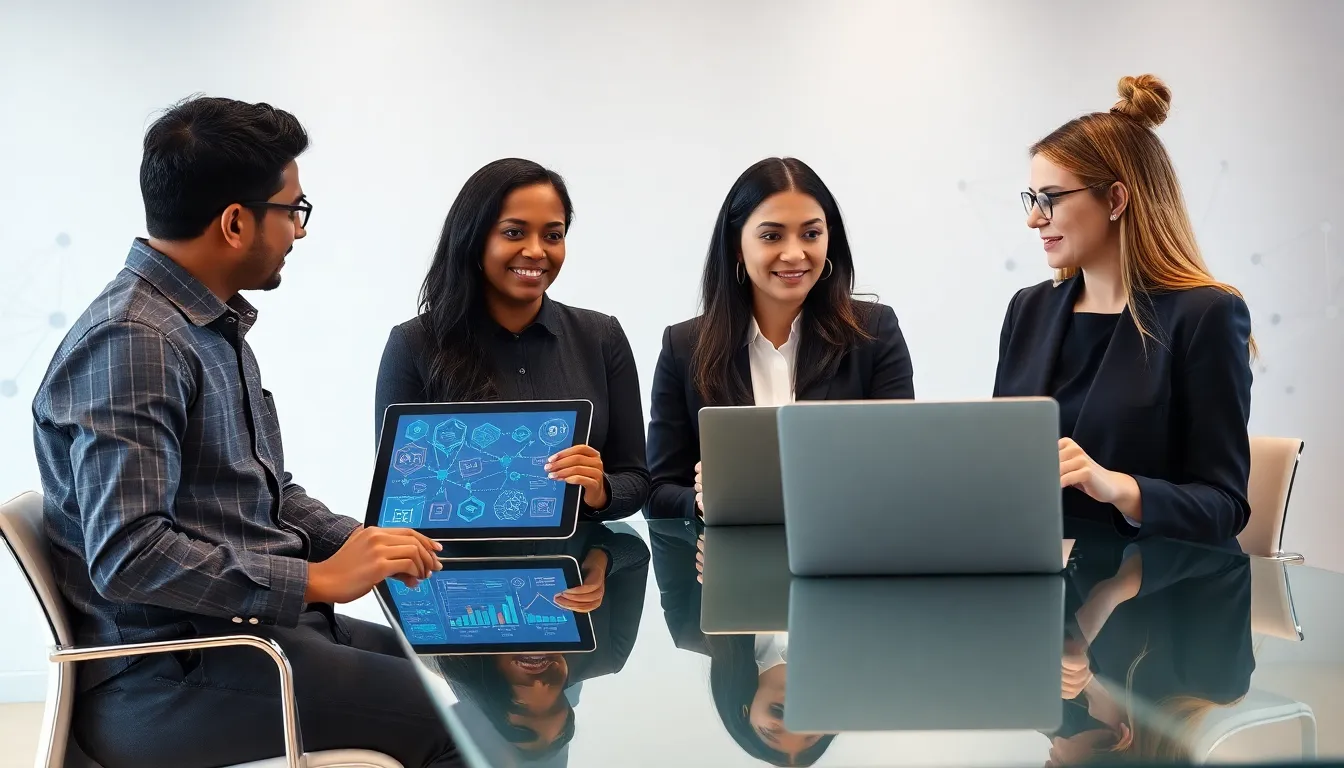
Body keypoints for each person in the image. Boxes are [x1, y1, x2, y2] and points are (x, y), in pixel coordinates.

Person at [31, 96, 459, 768]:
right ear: (235, 222)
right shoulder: (136, 341)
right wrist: (316, 580)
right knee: (449, 727)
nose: (301, 230)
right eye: (295, 210)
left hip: (240, 635)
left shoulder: (204, 325)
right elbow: (129, 554)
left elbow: (263, 490)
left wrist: (358, 543)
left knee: (455, 683)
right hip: (169, 674)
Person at [994, 74, 1254, 543]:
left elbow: (1225, 505)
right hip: (1042, 579)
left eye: (1049, 199)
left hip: (1161, 594)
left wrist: (1120, 488)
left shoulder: (1206, 315)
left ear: (1115, 198)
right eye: (1032, 200)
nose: (1034, 218)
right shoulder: (1027, 310)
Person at [375, 158, 649, 522]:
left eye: (553, 235)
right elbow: (398, 489)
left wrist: (600, 490)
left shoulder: (602, 337)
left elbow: (636, 478)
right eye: (514, 232)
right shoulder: (413, 344)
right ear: (474, 239)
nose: (537, 251)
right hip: (453, 570)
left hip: (578, 571)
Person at [645, 157, 915, 519]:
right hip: (728, 564)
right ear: (737, 247)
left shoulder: (874, 332)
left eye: (811, 234)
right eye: (772, 236)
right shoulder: (684, 347)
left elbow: (901, 469)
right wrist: (700, 501)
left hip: (844, 555)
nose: (794, 253)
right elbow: (658, 491)